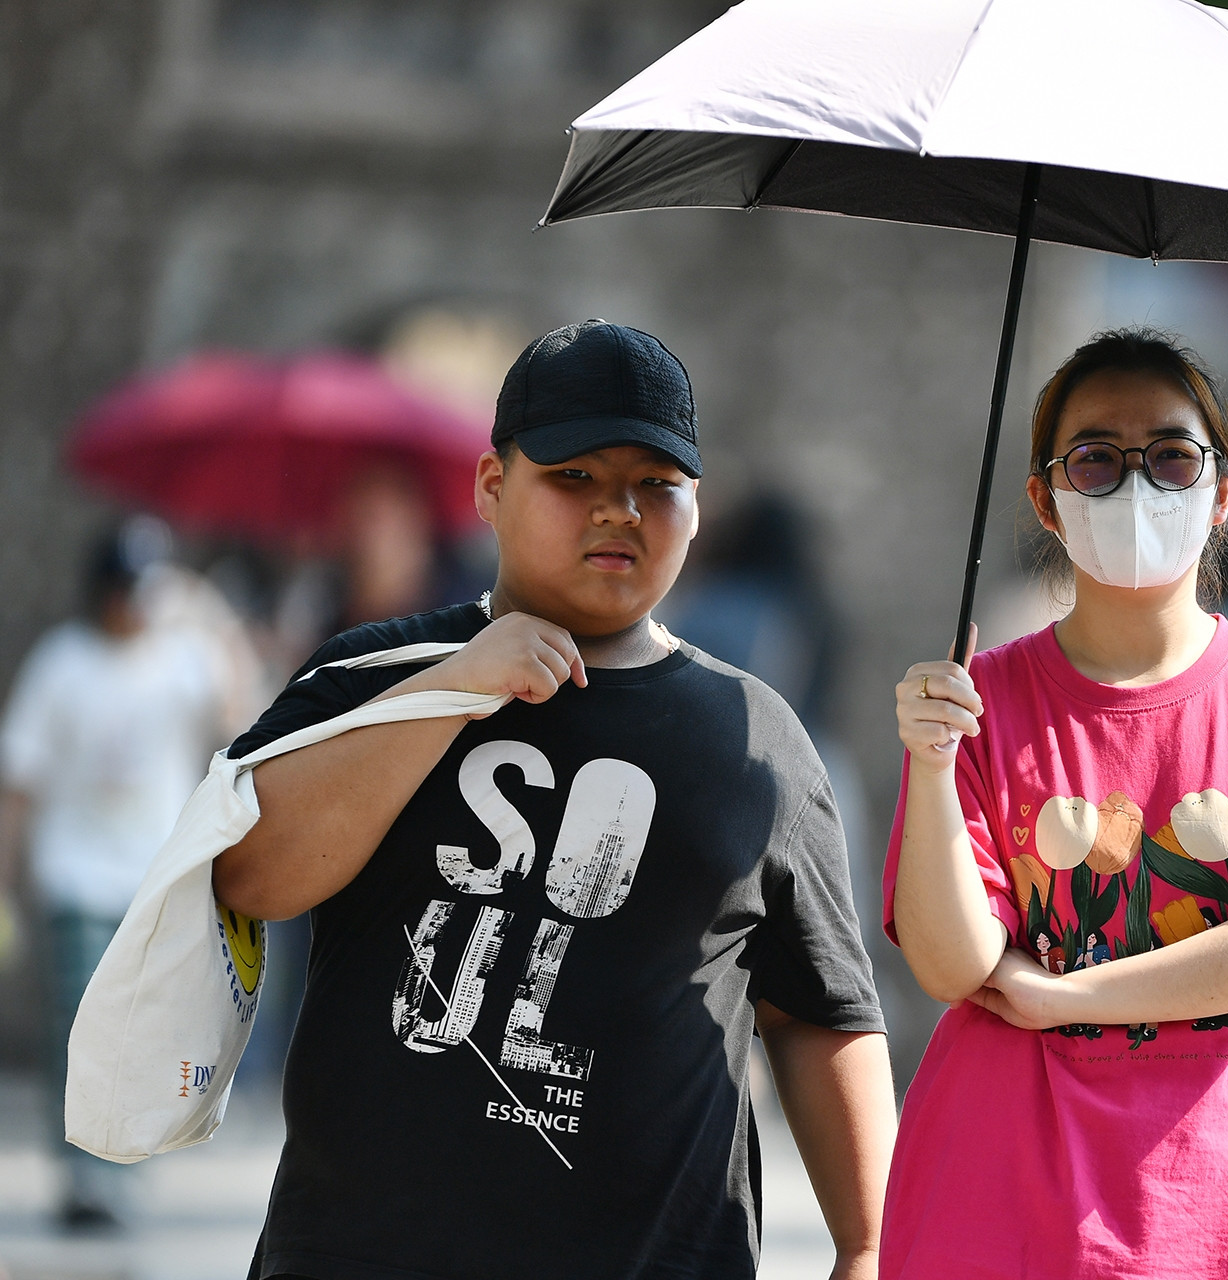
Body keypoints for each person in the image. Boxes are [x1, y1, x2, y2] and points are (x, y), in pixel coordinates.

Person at [211, 321, 895, 1280]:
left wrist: (868, 1246)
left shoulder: (756, 736)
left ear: (697, 508)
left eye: (657, 484)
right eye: (574, 476)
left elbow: (820, 1008)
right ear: (493, 487)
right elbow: (253, 875)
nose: (618, 510)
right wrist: (451, 690)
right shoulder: (370, 674)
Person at [881, 328, 1228, 1279]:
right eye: (1095, 459)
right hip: (993, 1209)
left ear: (1222, 492)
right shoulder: (972, 703)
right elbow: (953, 966)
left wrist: (1066, 996)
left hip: (1206, 1210)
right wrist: (932, 763)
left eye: (1169, 456)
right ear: (1046, 496)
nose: (1135, 484)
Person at [0, 525, 230, 1230]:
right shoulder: (63, 664)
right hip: (76, 877)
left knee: (139, 1036)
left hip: (151, 879)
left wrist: (213, 619)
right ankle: (82, 1177)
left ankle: (118, 1171)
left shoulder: (185, 660)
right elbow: (21, 781)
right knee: (79, 1023)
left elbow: (238, 720)